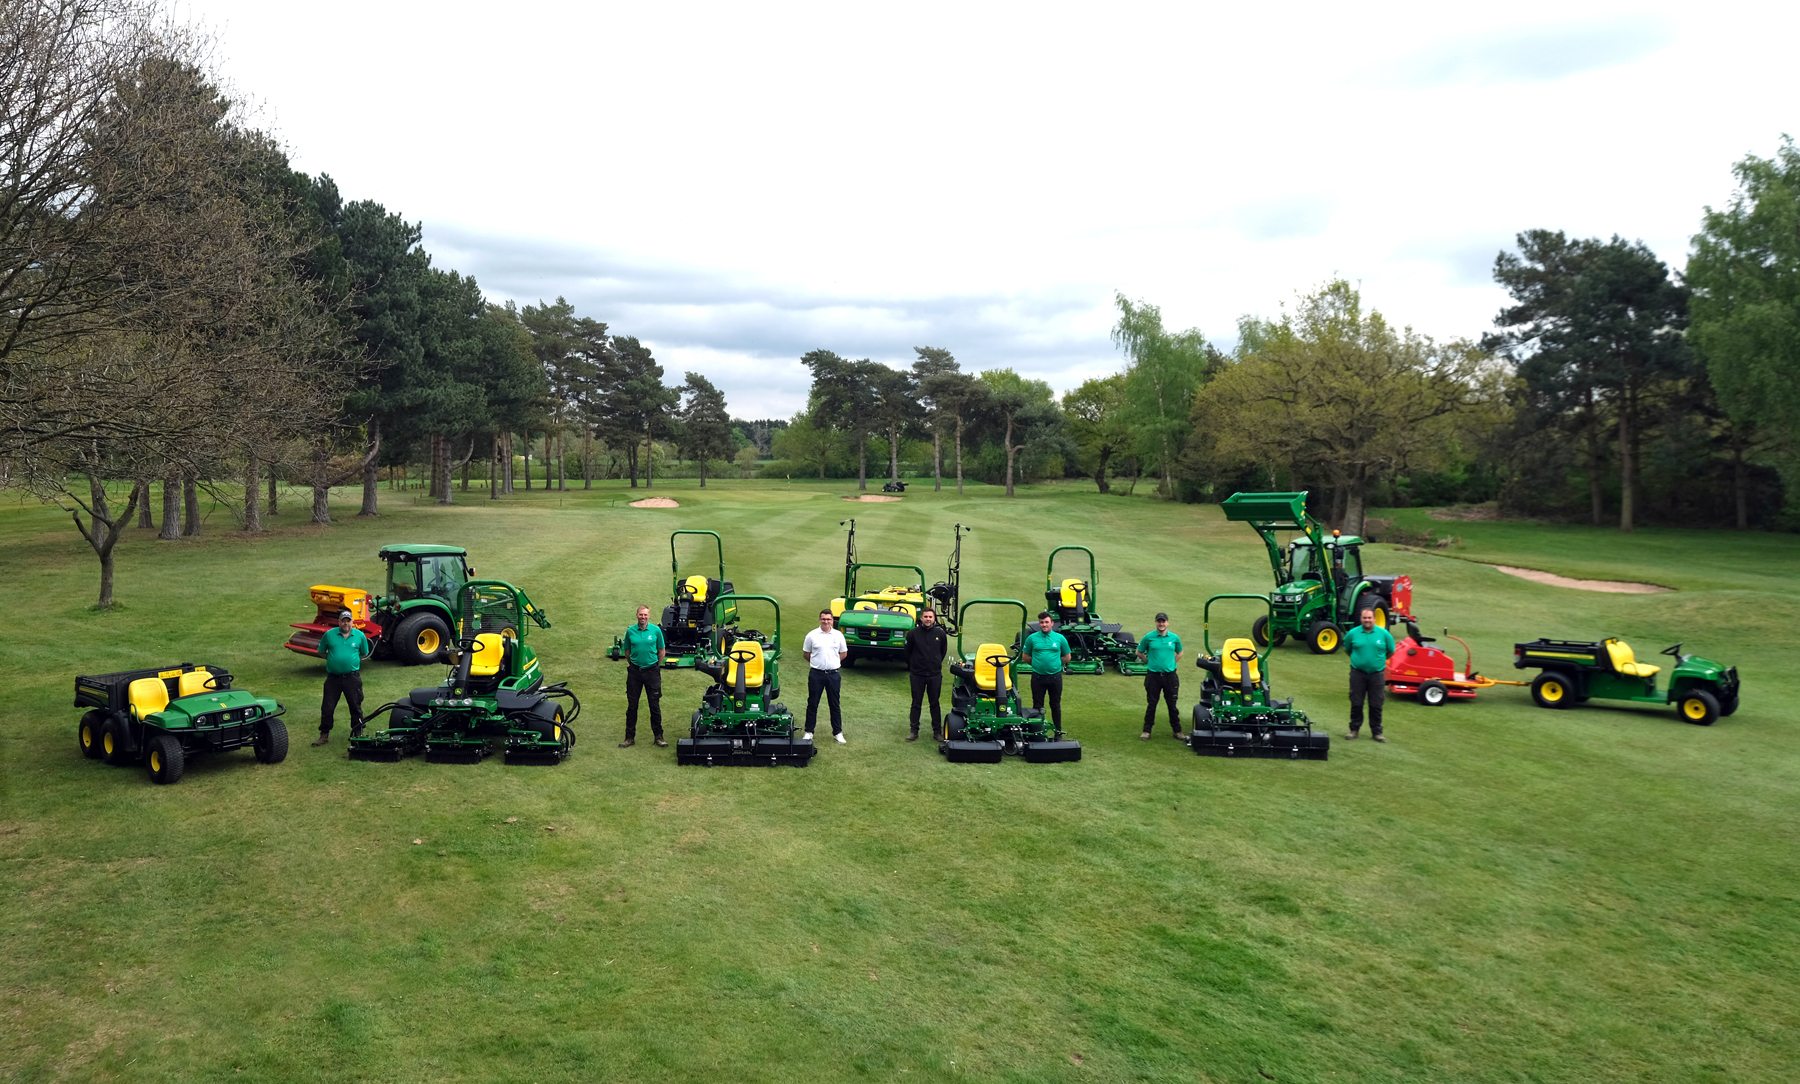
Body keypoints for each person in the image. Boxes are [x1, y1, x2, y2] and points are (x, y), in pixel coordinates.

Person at [315, 609, 372, 746]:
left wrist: (350, 663)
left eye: (348, 621)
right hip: (333, 678)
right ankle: (324, 735)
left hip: (352, 678)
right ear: (339, 622)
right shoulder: (329, 635)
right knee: (327, 707)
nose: (346, 623)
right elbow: (322, 651)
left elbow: (363, 653)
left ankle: (358, 733)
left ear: (352, 622)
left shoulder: (359, 636)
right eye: (343, 621)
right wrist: (334, 661)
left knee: (355, 706)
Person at [1343, 607, 1396, 742]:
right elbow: (1347, 649)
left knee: (1376, 703)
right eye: (1364, 618)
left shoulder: (1384, 634)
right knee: (1356, 702)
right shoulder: (1353, 633)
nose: (1367, 620)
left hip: (1377, 674)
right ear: (1361, 619)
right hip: (1357, 674)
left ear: (1374, 619)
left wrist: (1378, 661)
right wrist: (1359, 660)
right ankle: (1354, 730)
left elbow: (1391, 651)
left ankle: (1377, 732)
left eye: (1369, 618)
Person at [619, 605, 667, 748]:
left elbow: (662, 651)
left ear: (649, 615)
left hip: (652, 672)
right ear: (636, 615)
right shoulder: (630, 631)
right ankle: (629, 738)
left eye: (645, 615)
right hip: (635, 673)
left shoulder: (656, 631)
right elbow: (627, 651)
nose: (643, 617)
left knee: (654, 705)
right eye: (641, 615)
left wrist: (655, 667)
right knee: (632, 706)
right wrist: (634, 664)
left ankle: (659, 737)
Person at [902, 606, 950, 741]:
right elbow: (907, 652)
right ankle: (914, 731)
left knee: (935, 703)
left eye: (930, 617)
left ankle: (937, 732)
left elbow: (943, 651)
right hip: (917, 675)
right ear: (921, 618)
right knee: (916, 703)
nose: (928, 619)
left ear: (934, 618)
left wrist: (934, 664)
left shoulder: (940, 634)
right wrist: (915, 665)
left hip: (934, 675)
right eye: (925, 617)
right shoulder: (913, 634)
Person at [802, 609, 849, 743]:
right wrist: (819, 663)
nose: (826, 621)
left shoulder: (838, 635)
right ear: (819, 620)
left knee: (834, 704)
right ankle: (809, 731)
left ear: (832, 620)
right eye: (823, 619)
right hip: (816, 674)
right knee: (812, 703)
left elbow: (843, 653)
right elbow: (806, 654)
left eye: (828, 619)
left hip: (833, 675)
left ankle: (838, 732)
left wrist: (833, 663)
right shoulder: (812, 635)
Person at [1020, 611, 1072, 730]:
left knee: (1055, 705)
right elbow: (1025, 656)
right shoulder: (1032, 638)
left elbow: (1067, 656)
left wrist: (1057, 665)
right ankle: (1037, 732)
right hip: (1038, 678)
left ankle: (1058, 731)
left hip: (1055, 678)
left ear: (1052, 623)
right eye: (1042, 622)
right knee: (1037, 706)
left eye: (1046, 622)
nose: (1044, 625)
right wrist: (1037, 665)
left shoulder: (1060, 638)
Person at [1136, 612, 1183, 739]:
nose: (1161, 624)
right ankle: (1147, 731)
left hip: (1170, 676)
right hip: (1153, 677)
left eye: (1163, 621)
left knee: (1172, 705)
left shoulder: (1174, 638)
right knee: (1152, 704)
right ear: (1155, 622)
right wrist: (1149, 662)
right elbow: (1139, 652)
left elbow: (1180, 652)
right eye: (1159, 621)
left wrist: (1172, 663)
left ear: (1168, 622)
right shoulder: (1148, 637)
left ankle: (1177, 731)